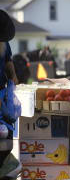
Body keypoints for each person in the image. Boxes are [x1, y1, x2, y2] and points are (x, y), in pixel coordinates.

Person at [0, 9, 21, 178]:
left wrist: (13, 76)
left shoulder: (3, 44)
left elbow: (8, 61)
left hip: (2, 94)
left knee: (6, 134)